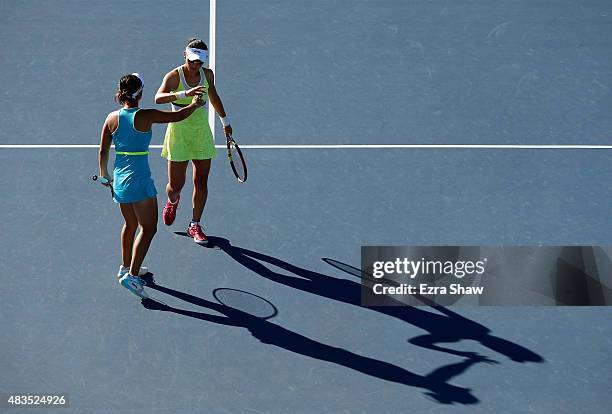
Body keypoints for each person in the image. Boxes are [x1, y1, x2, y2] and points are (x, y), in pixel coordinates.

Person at [98, 73, 205, 298]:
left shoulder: (111, 118)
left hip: (118, 180)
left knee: (130, 224)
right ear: (141, 94)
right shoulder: (145, 116)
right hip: (139, 182)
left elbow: (103, 151)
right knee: (149, 229)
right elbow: (178, 117)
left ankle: (125, 267)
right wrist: (194, 104)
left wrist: (105, 176)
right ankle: (132, 277)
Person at [155, 38, 232, 244]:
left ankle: (194, 225)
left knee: (201, 180)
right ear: (185, 56)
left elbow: (213, 96)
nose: (195, 65)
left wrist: (225, 121)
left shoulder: (207, 75)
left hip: (201, 134)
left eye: (199, 62)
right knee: (176, 185)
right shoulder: (174, 76)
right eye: (192, 61)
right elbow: (158, 98)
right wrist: (184, 93)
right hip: (178, 135)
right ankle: (173, 201)